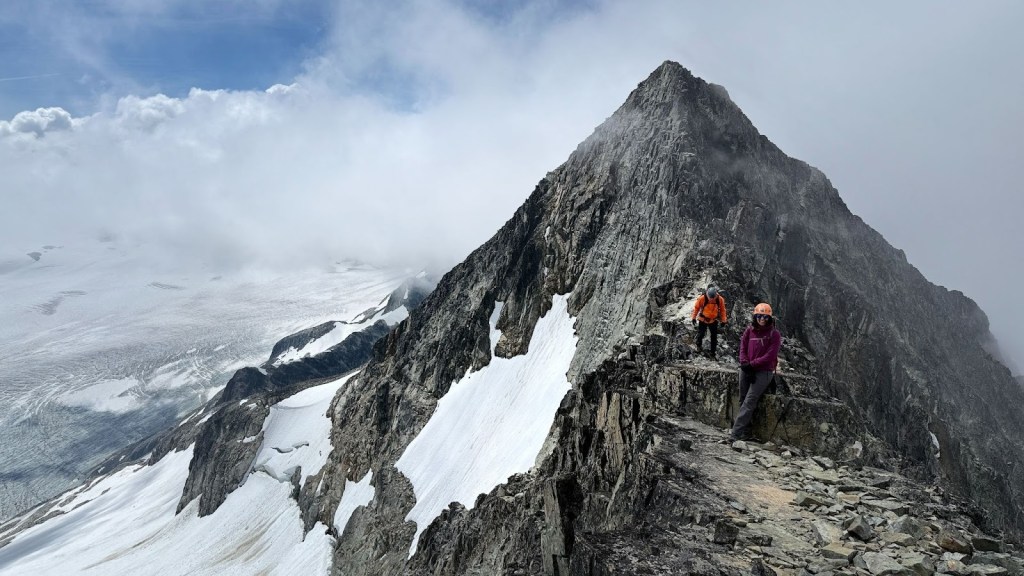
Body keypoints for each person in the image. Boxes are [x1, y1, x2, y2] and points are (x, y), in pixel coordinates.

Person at [732, 302, 782, 441]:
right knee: (743, 399)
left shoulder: (774, 334)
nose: (762, 319)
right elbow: (743, 347)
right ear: (755, 316)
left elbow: (770, 356)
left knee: (749, 401)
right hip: (747, 368)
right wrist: (744, 363)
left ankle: (735, 433)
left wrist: (751, 365)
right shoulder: (749, 330)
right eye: (759, 316)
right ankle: (745, 432)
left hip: (763, 372)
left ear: (770, 318)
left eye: (765, 317)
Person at [691, 286, 727, 357]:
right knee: (701, 334)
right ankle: (699, 346)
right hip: (703, 319)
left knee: (714, 337)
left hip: (713, 320)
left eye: (712, 298)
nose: (711, 299)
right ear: (707, 294)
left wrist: (723, 320)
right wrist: (693, 318)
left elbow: (723, 310)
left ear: (716, 295)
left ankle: (712, 353)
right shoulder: (702, 298)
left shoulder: (720, 299)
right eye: (710, 298)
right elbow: (696, 308)